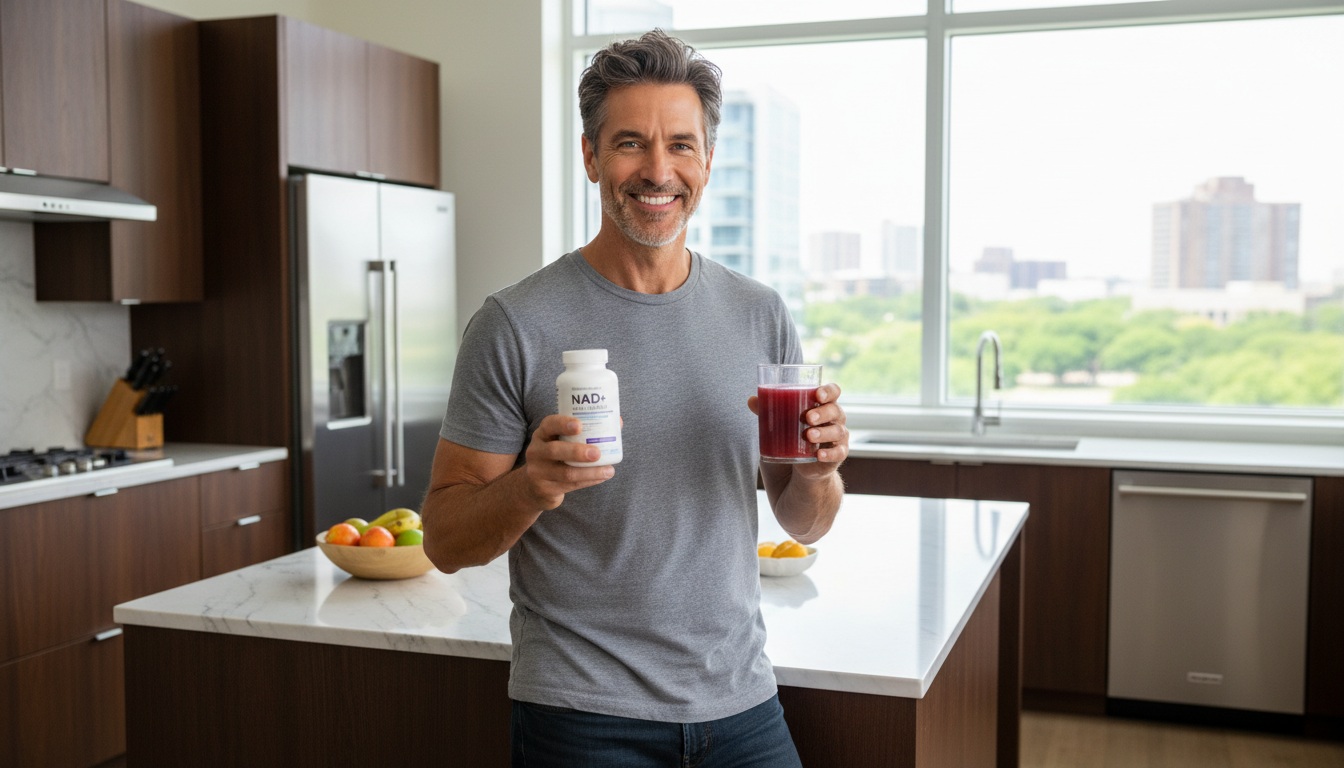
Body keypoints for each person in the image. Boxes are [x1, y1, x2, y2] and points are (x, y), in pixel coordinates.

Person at [422, 28, 848, 767]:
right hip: (582, 717)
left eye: (681, 145)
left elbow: (803, 523)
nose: (659, 170)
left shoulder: (759, 313)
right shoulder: (515, 324)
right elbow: (445, 540)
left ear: (708, 161)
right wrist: (533, 485)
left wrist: (818, 471)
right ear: (590, 156)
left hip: (741, 703)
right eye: (630, 143)